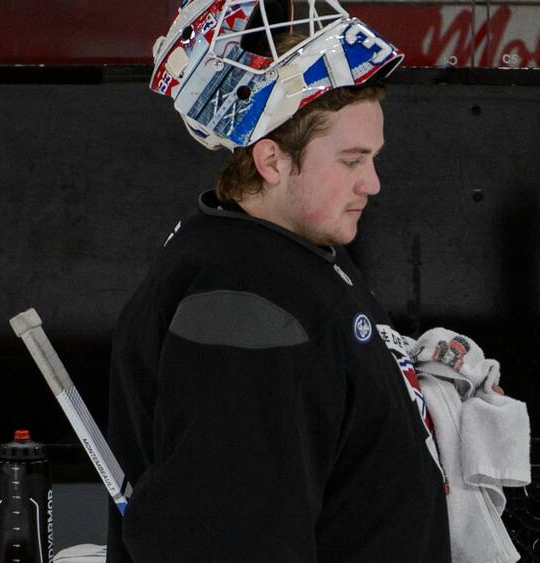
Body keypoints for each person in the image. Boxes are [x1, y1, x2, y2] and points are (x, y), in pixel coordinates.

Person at [106, 1, 452, 560]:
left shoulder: (292, 257)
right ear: (270, 160)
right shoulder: (242, 305)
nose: (373, 183)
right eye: (351, 161)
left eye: (374, 158)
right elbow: (225, 539)